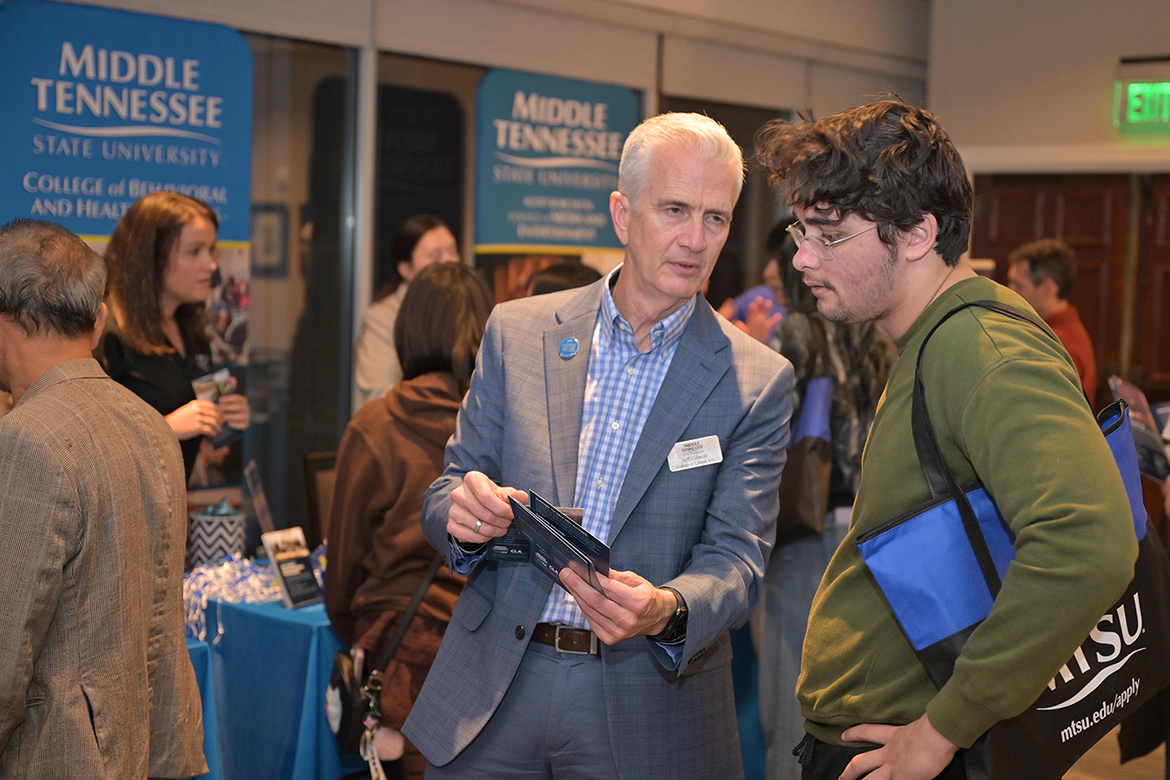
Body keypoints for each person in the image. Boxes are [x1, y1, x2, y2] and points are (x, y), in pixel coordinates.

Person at [402, 112, 793, 780]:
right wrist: (462, 520)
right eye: (674, 209)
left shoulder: (756, 380)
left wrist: (666, 609)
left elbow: (737, 561)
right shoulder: (518, 332)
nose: (695, 240)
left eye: (716, 218)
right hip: (499, 680)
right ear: (621, 213)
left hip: (648, 700)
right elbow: (449, 489)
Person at [755, 98, 1137, 780]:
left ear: (918, 233)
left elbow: (1089, 542)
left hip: (913, 747)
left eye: (830, 234)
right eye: (799, 231)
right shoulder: (935, 338)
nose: (804, 257)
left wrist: (943, 728)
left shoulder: (980, 345)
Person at [0, 219, 205, 779]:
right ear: (98, 322)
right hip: (139, 742)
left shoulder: (27, 438)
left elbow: (5, 650)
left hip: (56, 754)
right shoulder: (150, 424)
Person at [326, 262, 493, 780]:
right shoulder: (500, 430)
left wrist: (353, 629)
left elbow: (344, 563)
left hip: (395, 654)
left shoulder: (374, 426)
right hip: (484, 654)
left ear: (408, 330)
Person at [755, 234, 896, 780]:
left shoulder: (796, 331)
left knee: (790, 688)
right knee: (848, 689)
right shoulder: (876, 330)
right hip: (866, 526)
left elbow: (767, 430)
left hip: (805, 525)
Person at [96, 192, 250, 482]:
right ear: (151, 258)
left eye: (211, 250)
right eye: (194, 251)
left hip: (173, 506)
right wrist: (165, 428)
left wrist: (227, 412)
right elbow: (82, 444)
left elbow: (189, 402)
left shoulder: (192, 329)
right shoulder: (104, 331)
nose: (211, 265)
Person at [353, 215, 460, 407]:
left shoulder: (464, 311)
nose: (449, 262)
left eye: (453, 251)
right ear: (406, 269)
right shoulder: (383, 318)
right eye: (436, 256)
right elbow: (378, 396)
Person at [1006, 238, 1098, 406]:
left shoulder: (1057, 343)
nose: (1009, 290)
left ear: (1048, 288)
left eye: (1018, 285)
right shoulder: (1063, 331)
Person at [719, 220, 790, 343]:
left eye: (783, 262)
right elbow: (720, 324)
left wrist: (753, 348)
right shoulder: (759, 299)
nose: (768, 273)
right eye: (772, 258)